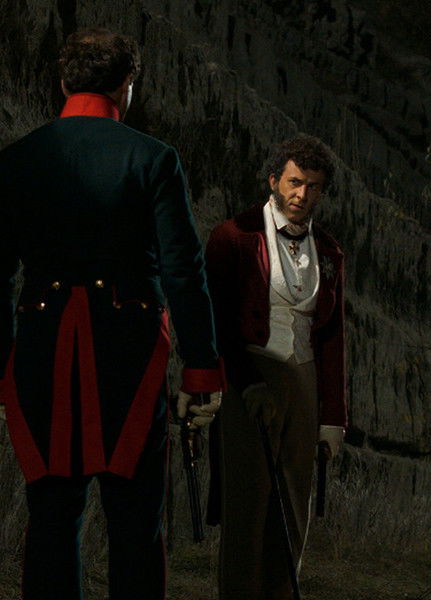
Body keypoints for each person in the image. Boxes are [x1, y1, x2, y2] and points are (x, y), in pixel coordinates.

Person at [0, 28, 224, 600]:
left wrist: (1, 369)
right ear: (127, 85)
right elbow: (182, 271)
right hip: (129, 355)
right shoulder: (154, 158)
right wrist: (201, 370)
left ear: (63, 83)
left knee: (51, 516)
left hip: (42, 351)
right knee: (135, 521)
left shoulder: (16, 160)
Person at [205, 136, 347, 599]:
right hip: (253, 374)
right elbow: (218, 320)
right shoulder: (233, 236)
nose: (302, 194)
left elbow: (332, 336)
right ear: (273, 181)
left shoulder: (329, 251)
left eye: (313, 186)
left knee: (293, 506)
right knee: (246, 504)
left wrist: (333, 417)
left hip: (304, 378)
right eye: (294, 182)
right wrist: (244, 382)